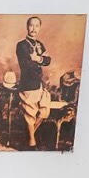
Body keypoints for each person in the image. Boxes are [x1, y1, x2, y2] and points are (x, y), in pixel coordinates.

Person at [17, 16, 52, 148]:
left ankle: (27, 136)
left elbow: (48, 60)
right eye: (31, 25)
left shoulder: (40, 44)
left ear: (40, 28)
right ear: (27, 27)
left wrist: (37, 58)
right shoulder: (21, 45)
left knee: (44, 111)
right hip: (28, 84)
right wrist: (39, 60)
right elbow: (26, 64)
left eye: (37, 26)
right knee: (30, 114)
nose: (34, 28)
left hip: (39, 84)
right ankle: (31, 142)